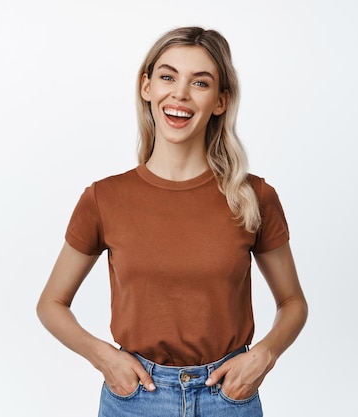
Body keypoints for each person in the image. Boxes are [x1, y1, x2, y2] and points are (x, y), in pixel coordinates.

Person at [36, 26, 308, 417]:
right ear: (146, 87)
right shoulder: (104, 198)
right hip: (135, 397)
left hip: (228, 397)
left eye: (200, 82)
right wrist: (104, 358)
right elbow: (51, 304)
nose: (179, 93)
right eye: (167, 76)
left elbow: (293, 302)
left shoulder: (254, 196)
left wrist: (264, 355)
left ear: (220, 101)